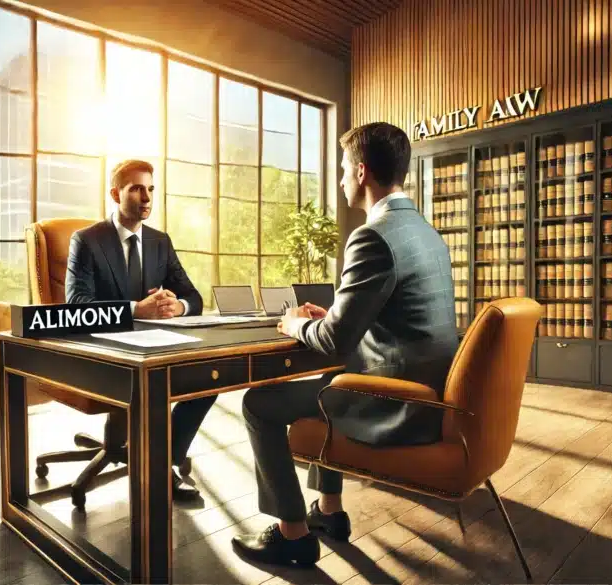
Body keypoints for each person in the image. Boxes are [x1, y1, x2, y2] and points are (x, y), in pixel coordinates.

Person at [231, 122, 459, 566]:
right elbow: (389, 315)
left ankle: (292, 533)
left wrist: (296, 324)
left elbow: (335, 341)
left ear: (360, 172)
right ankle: (329, 511)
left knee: (259, 405)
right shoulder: (427, 234)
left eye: (341, 171)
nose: (338, 181)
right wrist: (333, 313)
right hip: (430, 397)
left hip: (395, 406)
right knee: (332, 378)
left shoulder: (373, 234)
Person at [66, 159, 214, 501]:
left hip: (154, 345)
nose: (145, 197)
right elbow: (76, 304)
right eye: (136, 189)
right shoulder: (87, 240)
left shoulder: (160, 242)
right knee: (154, 382)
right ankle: (159, 466)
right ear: (116, 193)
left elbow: (194, 296)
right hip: (104, 350)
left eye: (150, 189)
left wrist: (178, 307)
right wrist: (136, 309)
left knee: (209, 375)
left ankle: (166, 461)